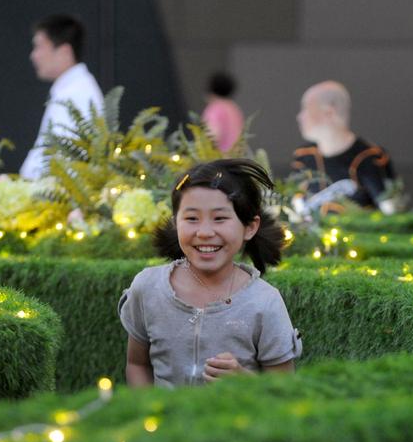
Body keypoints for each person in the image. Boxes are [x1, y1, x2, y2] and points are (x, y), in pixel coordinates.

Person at [119, 158, 302, 388]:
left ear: (249, 227)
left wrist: (243, 381)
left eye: (220, 218)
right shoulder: (148, 287)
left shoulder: (264, 302)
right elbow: (137, 365)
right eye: (192, 218)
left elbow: (284, 390)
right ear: (176, 222)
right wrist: (148, 416)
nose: (205, 232)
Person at [293, 80, 398, 213]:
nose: (300, 117)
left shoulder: (370, 158)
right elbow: (296, 208)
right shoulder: (304, 157)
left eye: (306, 109)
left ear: (329, 113)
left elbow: (392, 214)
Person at [20, 14, 103, 180]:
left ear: (64, 51)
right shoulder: (71, 90)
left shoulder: (78, 95)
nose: (34, 55)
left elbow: (63, 166)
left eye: (39, 47)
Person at [201, 72, 244, 153]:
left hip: (220, 160)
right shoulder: (233, 107)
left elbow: (212, 137)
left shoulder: (214, 108)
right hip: (235, 158)